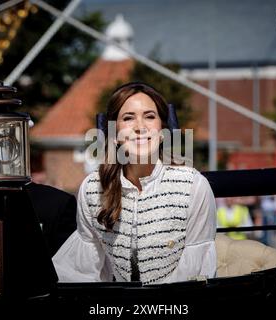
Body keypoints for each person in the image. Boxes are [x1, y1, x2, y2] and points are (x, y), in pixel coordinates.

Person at [52, 82, 217, 284]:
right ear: (114, 135)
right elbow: (83, 272)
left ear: (163, 130)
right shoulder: (93, 189)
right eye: (128, 118)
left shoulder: (193, 186)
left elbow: (194, 272)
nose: (140, 127)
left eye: (149, 116)